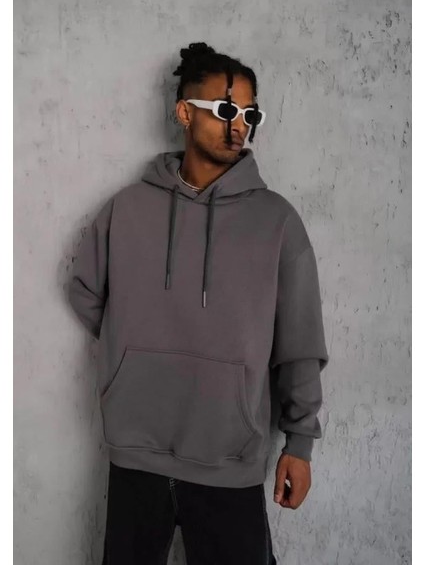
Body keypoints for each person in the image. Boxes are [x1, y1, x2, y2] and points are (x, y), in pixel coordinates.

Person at [68, 41, 329, 565]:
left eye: (249, 114)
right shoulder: (127, 209)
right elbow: (85, 290)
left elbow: (299, 342)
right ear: (184, 112)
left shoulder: (277, 222)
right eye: (225, 110)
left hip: (229, 459)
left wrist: (299, 444)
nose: (239, 126)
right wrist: (134, 353)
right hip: (136, 456)